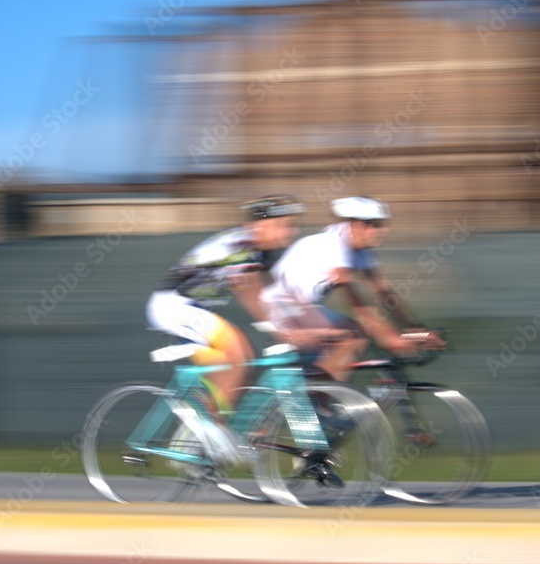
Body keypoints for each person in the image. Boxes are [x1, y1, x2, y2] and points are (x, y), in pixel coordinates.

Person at [146, 194, 304, 461]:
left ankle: (193, 436)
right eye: (283, 224)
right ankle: (210, 432)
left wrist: (300, 321)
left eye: (292, 225)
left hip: (193, 309)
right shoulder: (241, 246)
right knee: (237, 351)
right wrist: (286, 331)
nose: (291, 231)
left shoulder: (261, 251)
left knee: (235, 368)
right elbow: (252, 295)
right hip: (172, 307)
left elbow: (276, 294)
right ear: (258, 226)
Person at [263, 195, 446, 382]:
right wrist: (389, 337)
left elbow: (384, 293)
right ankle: (316, 399)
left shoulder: (360, 248)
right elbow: (356, 301)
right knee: (354, 336)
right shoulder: (333, 246)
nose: (383, 230)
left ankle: (321, 396)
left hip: (303, 307)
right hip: (281, 307)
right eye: (376, 225)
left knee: (357, 337)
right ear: (356, 226)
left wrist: (415, 329)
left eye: (383, 224)